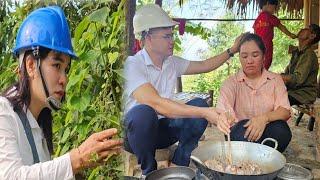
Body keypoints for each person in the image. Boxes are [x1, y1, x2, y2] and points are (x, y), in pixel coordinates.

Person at [0, 6, 122, 179]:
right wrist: (76, 159)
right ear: (31, 65)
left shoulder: (39, 122)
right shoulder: (4, 113)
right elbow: (10, 176)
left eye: (66, 69)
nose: (64, 79)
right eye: (57, 66)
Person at [123, 4, 242, 175]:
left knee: (200, 104)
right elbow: (157, 103)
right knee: (143, 112)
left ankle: (178, 165)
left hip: (163, 130)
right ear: (148, 38)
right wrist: (206, 113)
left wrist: (232, 50)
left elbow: (205, 65)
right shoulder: (133, 65)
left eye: (171, 35)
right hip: (137, 136)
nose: (172, 41)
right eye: (166, 36)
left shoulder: (172, 63)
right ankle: (149, 172)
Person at [217, 33, 292, 153]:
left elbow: (285, 111)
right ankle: (259, 156)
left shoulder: (275, 79)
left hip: (266, 131)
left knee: (281, 130)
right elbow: (224, 110)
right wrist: (225, 118)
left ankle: (259, 157)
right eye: (244, 56)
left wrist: (263, 119)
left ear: (263, 57)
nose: (250, 61)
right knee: (240, 129)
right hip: (241, 134)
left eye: (255, 55)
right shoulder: (231, 82)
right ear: (240, 58)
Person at [281, 24, 320, 106]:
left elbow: (298, 79)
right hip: (294, 91)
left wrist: (279, 77)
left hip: (304, 94)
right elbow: (287, 73)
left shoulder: (309, 55)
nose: (302, 29)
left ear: (312, 36)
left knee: (275, 100)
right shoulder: (297, 52)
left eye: (307, 29)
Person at [253, 0, 297, 70]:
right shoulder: (270, 16)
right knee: (266, 63)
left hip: (257, 46)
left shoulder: (257, 19)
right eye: (274, 8)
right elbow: (281, 27)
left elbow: (255, 32)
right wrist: (291, 35)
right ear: (268, 3)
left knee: (258, 64)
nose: (275, 10)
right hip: (267, 45)